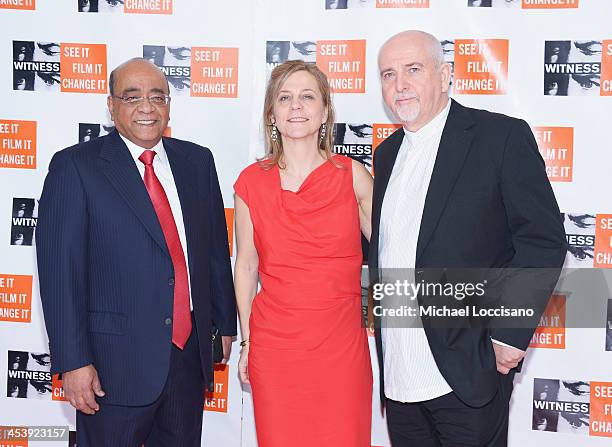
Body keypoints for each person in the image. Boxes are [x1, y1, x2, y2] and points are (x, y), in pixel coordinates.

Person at [370, 31, 566, 446]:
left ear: (445, 76)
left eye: (413, 69)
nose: (399, 84)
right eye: (389, 74)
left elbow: (543, 239)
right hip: (401, 382)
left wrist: (509, 334)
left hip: (469, 373)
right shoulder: (386, 156)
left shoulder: (499, 137)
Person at [36, 58, 236, 447]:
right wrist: (74, 362)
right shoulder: (75, 166)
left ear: (168, 106)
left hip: (186, 359)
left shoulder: (197, 161)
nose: (147, 106)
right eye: (132, 96)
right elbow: (61, 274)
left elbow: (213, 249)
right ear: (111, 106)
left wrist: (224, 324)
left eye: (157, 96)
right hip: (112, 366)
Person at [233, 60, 373, 446]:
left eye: (307, 96)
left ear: (325, 110)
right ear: (272, 114)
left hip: (340, 347)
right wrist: (248, 343)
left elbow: (396, 250)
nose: (296, 106)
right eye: (285, 98)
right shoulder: (250, 182)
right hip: (275, 347)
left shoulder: (353, 176)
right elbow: (246, 265)